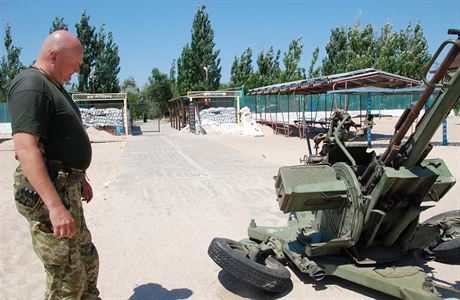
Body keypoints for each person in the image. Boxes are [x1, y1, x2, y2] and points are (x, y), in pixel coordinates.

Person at [7, 30, 100, 299]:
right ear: (53, 56)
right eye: (74, 65)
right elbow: (26, 148)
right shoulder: (31, 85)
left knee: (86, 260)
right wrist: (55, 207)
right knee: (66, 275)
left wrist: (80, 177)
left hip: (68, 188)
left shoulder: (53, 86)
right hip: (52, 193)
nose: (76, 71)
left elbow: (61, 138)